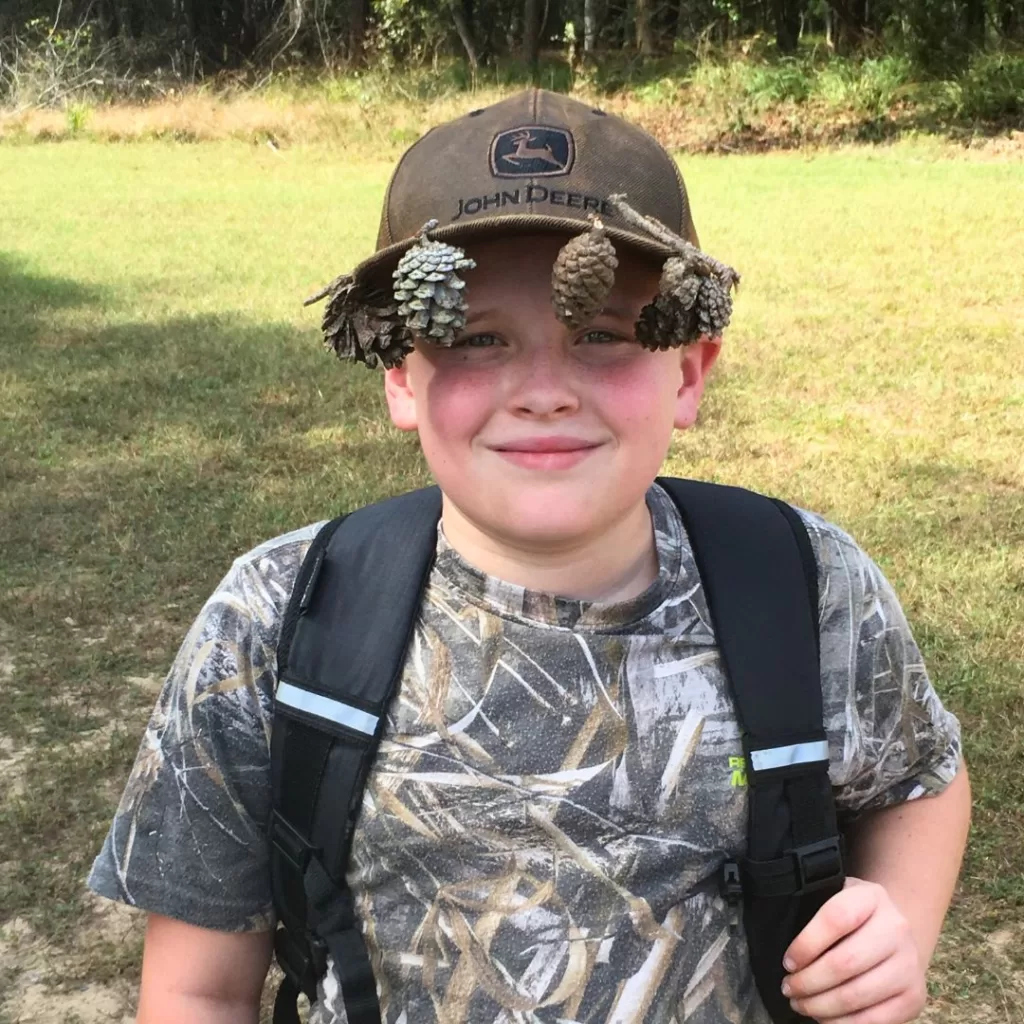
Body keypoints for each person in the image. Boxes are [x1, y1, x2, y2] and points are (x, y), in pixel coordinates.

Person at [88, 89, 970, 1024]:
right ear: (399, 376)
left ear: (690, 372)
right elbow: (195, 988)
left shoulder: (804, 585)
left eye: (602, 335)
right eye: (475, 339)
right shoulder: (278, 618)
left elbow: (921, 781)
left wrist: (901, 927)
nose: (544, 391)